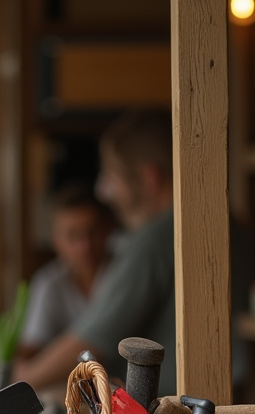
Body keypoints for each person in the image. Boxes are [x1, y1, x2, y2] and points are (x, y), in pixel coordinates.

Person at [14, 108, 177, 394]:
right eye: (72, 236)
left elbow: (92, 340)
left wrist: (20, 381)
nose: (104, 192)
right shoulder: (220, 223)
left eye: (113, 177)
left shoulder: (153, 240)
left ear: (150, 177)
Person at [17, 184, 113, 360]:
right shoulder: (48, 283)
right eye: (73, 235)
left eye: (92, 232)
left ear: (108, 229)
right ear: (56, 241)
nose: (85, 246)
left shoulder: (124, 271)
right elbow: (32, 346)